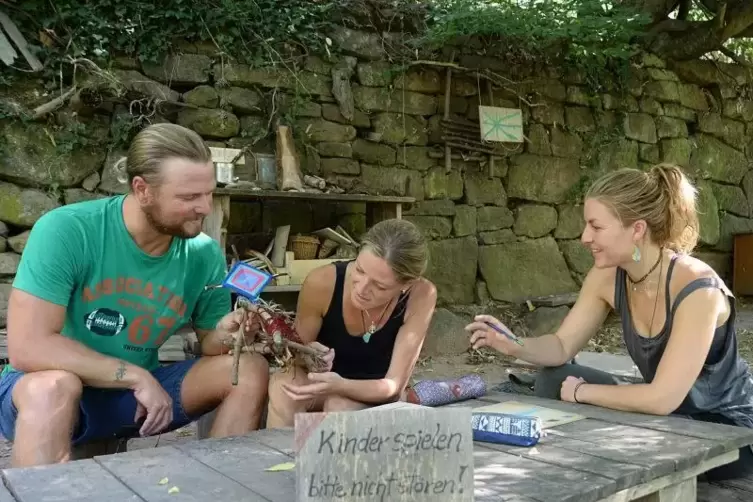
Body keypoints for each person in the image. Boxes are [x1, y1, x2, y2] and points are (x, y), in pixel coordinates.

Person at [0, 123, 270, 468]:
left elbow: (211, 345)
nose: (205, 207)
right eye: (188, 197)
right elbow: (28, 347)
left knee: (248, 368)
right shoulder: (68, 230)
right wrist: (133, 374)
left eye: (209, 193)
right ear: (142, 190)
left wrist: (231, 332)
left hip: (133, 399)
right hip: (45, 392)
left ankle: (219, 484)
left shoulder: (204, 254)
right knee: (52, 387)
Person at [466, 163, 753, 481]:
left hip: (723, 428)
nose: (585, 237)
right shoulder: (606, 276)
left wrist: (583, 393)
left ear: (637, 229)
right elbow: (561, 346)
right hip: (663, 415)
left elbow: (662, 398)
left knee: (605, 438)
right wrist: (513, 345)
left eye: (596, 226)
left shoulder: (697, 286)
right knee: (553, 378)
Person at [265, 219, 437, 427]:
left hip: (375, 395)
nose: (361, 289)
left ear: (406, 284)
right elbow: (294, 358)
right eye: (360, 270)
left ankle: (332, 455)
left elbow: (393, 386)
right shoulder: (322, 283)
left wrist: (340, 386)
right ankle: (280, 457)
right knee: (283, 385)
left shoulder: (421, 294)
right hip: (323, 384)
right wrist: (310, 355)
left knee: (339, 406)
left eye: (380, 286)